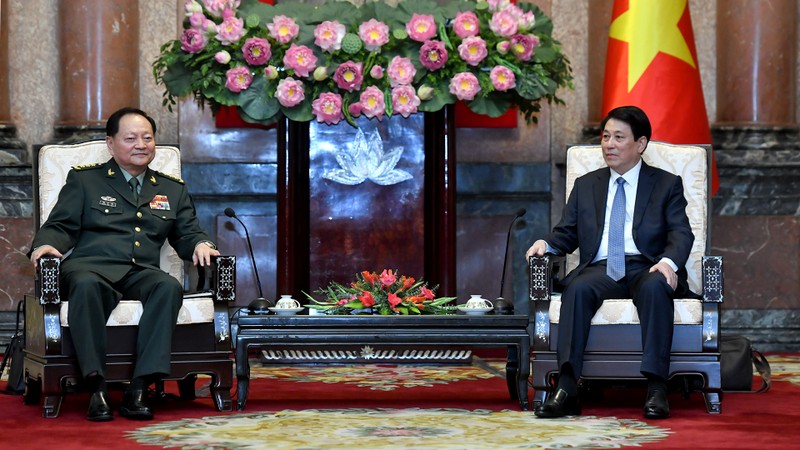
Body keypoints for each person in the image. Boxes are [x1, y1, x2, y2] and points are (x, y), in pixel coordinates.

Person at [29, 107, 220, 422]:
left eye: (147, 138)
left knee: (167, 286)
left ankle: (140, 388)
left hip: (138, 271)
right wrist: (46, 245)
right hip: (90, 267)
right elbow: (60, 225)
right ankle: (96, 386)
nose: (141, 145)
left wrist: (201, 244)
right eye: (131, 138)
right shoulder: (86, 180)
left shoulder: (171, 189)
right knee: (87, 285)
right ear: (111, 143)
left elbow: (188, 233)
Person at [525, 105, 694, 420]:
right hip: (601, 268)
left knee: (657, 287)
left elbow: (681, 233)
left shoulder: (666, 184)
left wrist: (669, 262)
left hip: (647, 265)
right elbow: (567, 233)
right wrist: (545, 244)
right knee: (576, 289)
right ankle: (567, 387)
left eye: (619, 137)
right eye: (605, 137)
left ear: (640, 144)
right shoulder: (587, 184)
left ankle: (657, 386)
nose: (609, 144)